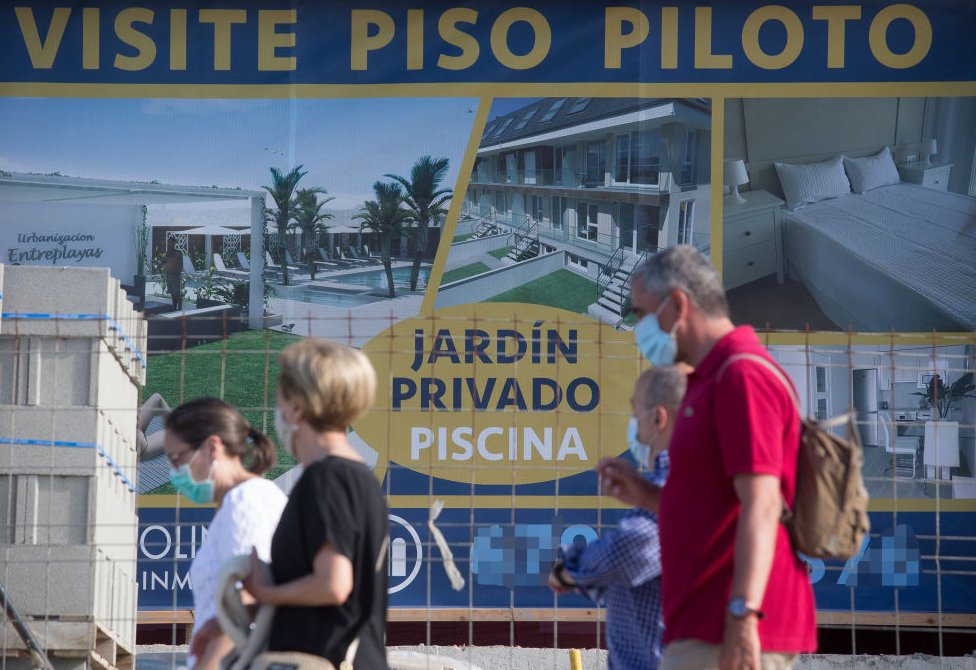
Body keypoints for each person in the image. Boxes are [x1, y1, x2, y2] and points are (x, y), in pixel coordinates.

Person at [598, 245, 816, 670]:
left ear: (678, 304)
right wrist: (645, 495)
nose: (638, 327)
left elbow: (763, 503)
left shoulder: (742, 375)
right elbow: (715, 512)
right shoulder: (707, 380)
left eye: (642, 313)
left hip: (729, 630)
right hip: (702, 627)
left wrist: (743, 616)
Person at [245, 339, 388, 670]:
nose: (277, 411)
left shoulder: (326, 479)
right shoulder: (360, 479)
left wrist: (266, 592)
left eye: (279, 401)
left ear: (297, 407)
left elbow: (333, 584)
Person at [549, 366, 686, 670]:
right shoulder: (674, 480)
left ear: (657, 419)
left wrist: (571, 571)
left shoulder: (678, 482)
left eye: (635, 412)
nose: (634, 425)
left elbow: (631, 550)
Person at [163, 398, 287, 670]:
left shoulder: (246, 502)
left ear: (211, 447)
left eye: (177, 458)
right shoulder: (238, 503)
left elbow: (243, 602)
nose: (174, 473)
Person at [165, 241, 183, 310]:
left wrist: (178, 273)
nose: (169, 244)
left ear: (174, 244)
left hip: (175, 275)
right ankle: (174, 307)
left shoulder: (178, 252)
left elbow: (180, 264)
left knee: (176, 292)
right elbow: (166, 262)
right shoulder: (168, 253)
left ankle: (179, 308)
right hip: (168, 274)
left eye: (171, 243)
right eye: (169, 243)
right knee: (172, 292)